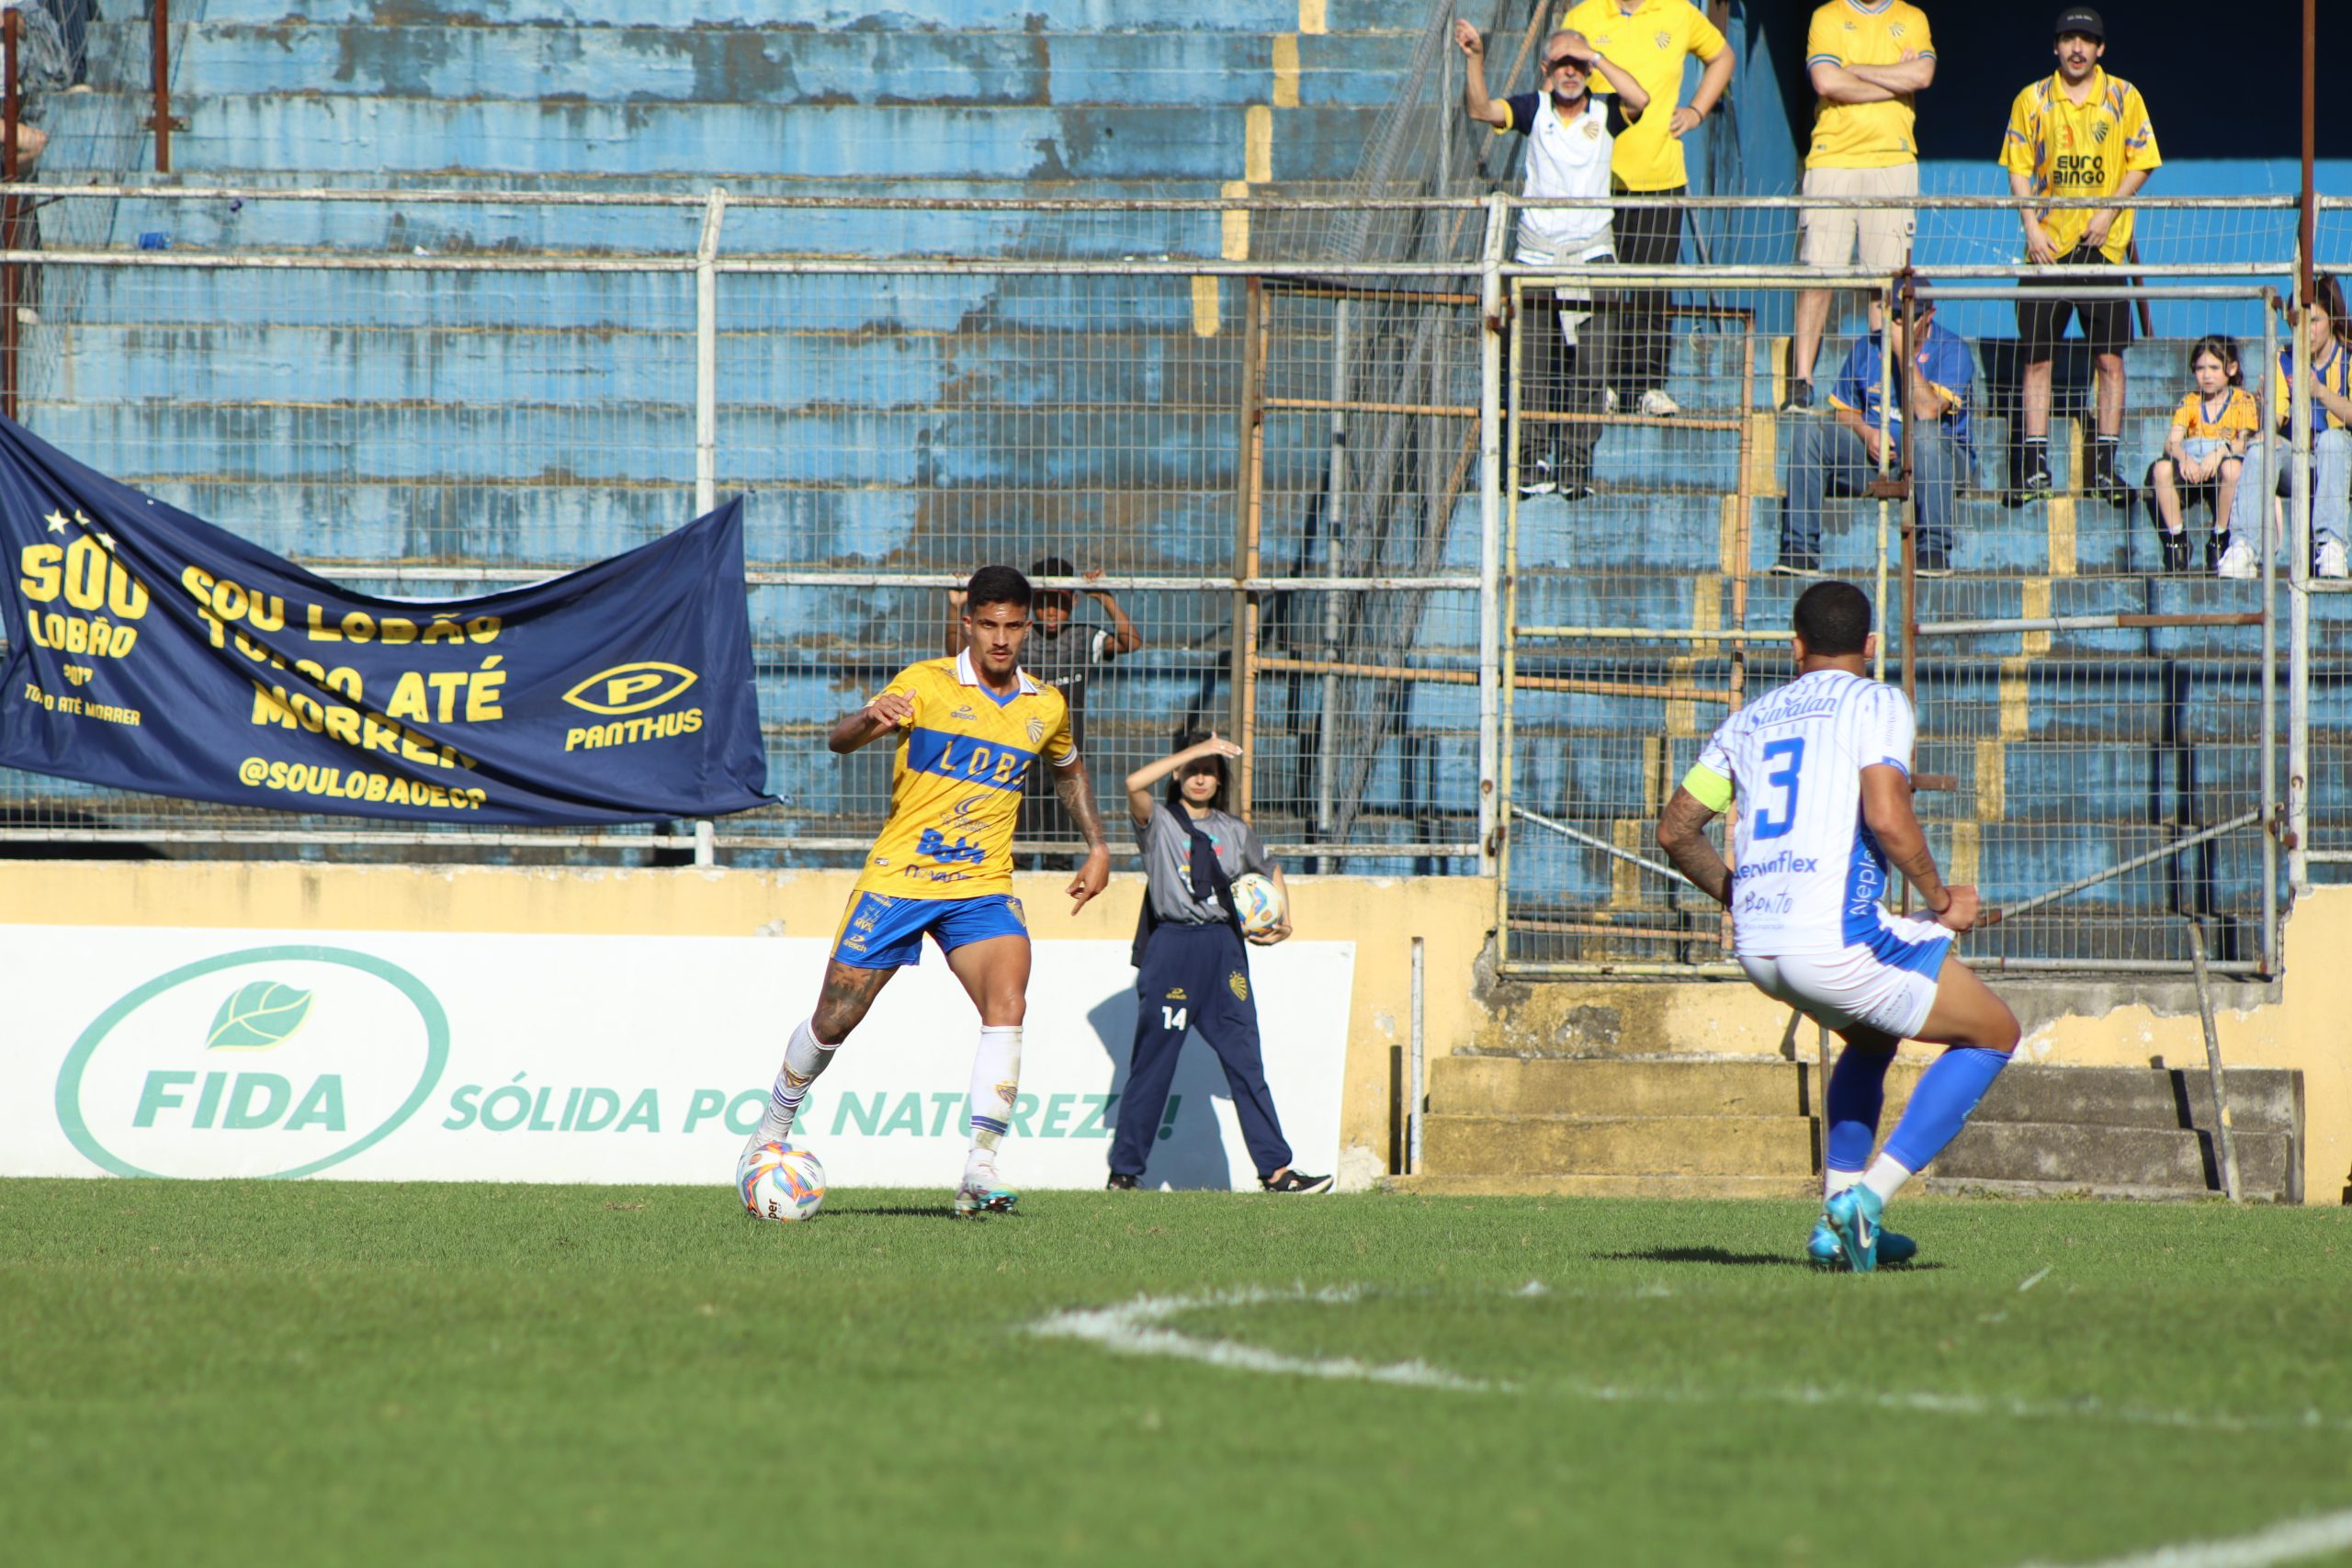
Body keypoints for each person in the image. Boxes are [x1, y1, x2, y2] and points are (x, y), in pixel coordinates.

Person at [1655, 580, 2021, 1271]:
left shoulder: (1750, 718)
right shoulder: (1877, 700)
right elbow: (1887, 814)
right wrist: (1942, 900)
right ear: (1872, 646)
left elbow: (1675, 829)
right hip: (1832, 944)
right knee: (1994, 1032)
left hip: (1760, 950)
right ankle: (1868, 1199)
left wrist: (1744, 898)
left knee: (1872, 1039)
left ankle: (1835, 1221)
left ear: (1795, 647)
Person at [742, 565, 1114, 1217]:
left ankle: (980, 1164)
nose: (1000, 639)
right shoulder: (925, 684)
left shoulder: (1043, 706)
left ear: (1028, 627)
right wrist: (868, 716)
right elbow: (839, 741)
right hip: (899, 878)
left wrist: (1099, 844)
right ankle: (771, 1129)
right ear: (968, 621)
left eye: (1012, 626)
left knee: (1009, 999)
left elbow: (1068, 767)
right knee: (835, 1017)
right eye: (988, 624)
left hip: (980, 887)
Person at [1107, 731, 1329, 1195]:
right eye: (1192, 770)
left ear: (1220, 778)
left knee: (1246, 1061)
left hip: (1224, 949)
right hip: (1172, 948)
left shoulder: (1234, 830)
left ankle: (1277, 1171)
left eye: (1209, 770)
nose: (1201, 777)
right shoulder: (1159, 821)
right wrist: (1193, 750)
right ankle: (1125, 1172)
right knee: (1154, 1064)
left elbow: (1270, 870)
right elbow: (1132, 784)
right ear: (1178, 773)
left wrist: (1282, 920)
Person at [1454, 19, 1650, 500]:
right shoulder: (1533, 108)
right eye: (1561, 63)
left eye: (1577, 64)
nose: (1571, 71)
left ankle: (1577, 463)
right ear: (1546, 68)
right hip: (1537, 258)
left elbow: (1640, 99)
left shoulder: (1605, 110)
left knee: (1592, 367)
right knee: (1532, 367)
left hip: (1593, 256)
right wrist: (1475, 57)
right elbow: (1481, 108)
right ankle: (1533, 460)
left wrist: (1596, 57)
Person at [1999, 6, 2161, 506]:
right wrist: (2030, 228)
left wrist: (2108, 214)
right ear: (2055, 45)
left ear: (2100, 49)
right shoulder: (2032, 98)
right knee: (2037, 358)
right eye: (2069, 38)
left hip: (2103, 247)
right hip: (2048, 247)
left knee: (2110, 360)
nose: (2077, 48)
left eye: (2086, 40)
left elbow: (2143, 161)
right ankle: (2034, 465)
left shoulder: (2124, 95)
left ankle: (2105, 467)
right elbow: (2019, 166)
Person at [1558, 0, 1733, 420]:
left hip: (1659, 175)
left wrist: (1696, 111)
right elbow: (1555, 81)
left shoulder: (1678, 12)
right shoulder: (1583, 15)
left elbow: (1723, 56)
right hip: (1594, 181)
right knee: (1597, 287)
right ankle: (1596, 384)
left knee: (1651, 285)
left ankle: (1647, 385)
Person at [1785, 0, 1936, 414]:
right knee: (1819, 270)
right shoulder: (1827, 15)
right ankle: (1801, 381)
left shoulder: (1910, 18)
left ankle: (1880, 386)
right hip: (1833, 157)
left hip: (1893, 158)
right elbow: (1825, 82)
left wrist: (1855, 70)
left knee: (1885, 283)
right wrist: (1893, 79)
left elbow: (1923, 74)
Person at [950, 556, 1143, 864]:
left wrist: (1105, 598)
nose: (1051, 612)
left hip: (1065, 757)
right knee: (1017, 850)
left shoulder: (1083, 637)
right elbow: (956, 653)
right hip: (1020, 755)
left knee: (1061, 849)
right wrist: (957, 606)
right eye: (1043, 603)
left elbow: (1130, 641)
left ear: (1074, 603)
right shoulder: (1016, 638)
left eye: (1060, 603)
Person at [1772, 291, 1972, 577]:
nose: (1899, 324)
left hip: (1940, 464)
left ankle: (1933, 550)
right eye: (1894, 316)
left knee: (1926, 435)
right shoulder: (1867, 347)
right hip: (1878, 459)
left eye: (1909, 318)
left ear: (1929, 315)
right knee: (1809, 431)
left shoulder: (1952, 349)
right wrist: (1868, 434)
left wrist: (1902, 352)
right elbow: (1844, 411)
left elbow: (1928, 411)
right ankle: (1799, 551)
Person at [2224, 273, 2352, 581]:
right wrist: (2266, 406)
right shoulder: (2284, 359)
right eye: (2299, 321)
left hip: (2342, 463)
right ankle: (2243, 546)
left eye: (2316, 320)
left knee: (2332, 441)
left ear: (2333, 319)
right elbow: (2276, 424)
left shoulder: (2348, 357)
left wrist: (2319, 392)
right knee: (2260, 448)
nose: (2306, 330)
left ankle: (2332, 545)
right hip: (2302, 461)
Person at [2146, 335, 2258, 576]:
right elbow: (2171, 442)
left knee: (2232, 470)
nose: (2207, 375)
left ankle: (2220, 537)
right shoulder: (2191, 402)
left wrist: (2221, 452)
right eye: (2200, 368)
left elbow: (2247, 439)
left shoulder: (2242, 400)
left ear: (2231, 368)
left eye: (2214, 368)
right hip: (2193, 467)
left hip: (2222, 464)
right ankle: (2177, 540)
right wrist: (2182, 456)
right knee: (2160, 470)